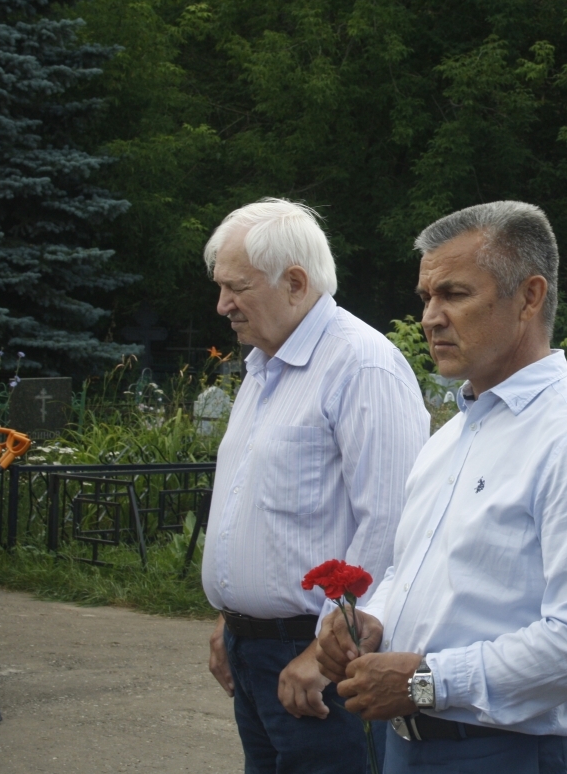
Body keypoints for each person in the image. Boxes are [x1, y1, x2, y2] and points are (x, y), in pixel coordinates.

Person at [315, 200, 567, 774]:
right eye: (426, 298)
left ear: (529, 297)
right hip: (415, 743)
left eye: (454, 294)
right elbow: (410, 570)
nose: (430, 317)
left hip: (513, 751)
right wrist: (375, 620)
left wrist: (423, 682)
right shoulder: (452, 436)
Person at [201, 198, 429, 774]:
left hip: (320, 659)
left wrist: (323, 655)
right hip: (257, 652)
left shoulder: (362, 365)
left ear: (295, 282)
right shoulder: (264, 366)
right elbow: (258, 509)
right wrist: (233, 617)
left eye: (236, 288)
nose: (222, 304)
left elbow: (391, 524)